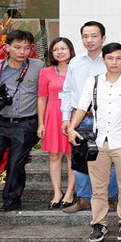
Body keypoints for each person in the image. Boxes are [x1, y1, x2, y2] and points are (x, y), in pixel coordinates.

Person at [67, 42, 121, 242]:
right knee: (98, 187)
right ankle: (98, 223)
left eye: (118, 58)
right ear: (103, 60)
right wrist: (72, 128)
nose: (114, 62)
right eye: (110, 58)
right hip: (98, 142)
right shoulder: (93, 81)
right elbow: (82, 107)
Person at [0, 30, 43, 222]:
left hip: (26, 122)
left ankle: (12, 199)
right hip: (0, 123)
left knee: (16, 164)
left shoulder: (38, 66)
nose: (22, 52)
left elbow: (42, 95)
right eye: (17, 47)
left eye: (27, 48)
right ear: (7, 47)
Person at [61, 21, 117, 214]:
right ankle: (84, 198)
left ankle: (109, 198)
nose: (90, 40)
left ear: (103, 38)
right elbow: (67, 90)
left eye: (94, 36)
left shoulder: (111, 60)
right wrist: (65, 117)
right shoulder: (75, 62)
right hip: (81, 118)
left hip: (106, 118)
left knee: (109, 158)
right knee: (79, 159)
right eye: (85, 36)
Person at [37, 37, 76, 209]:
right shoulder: (46, 72)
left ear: (70, 51)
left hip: (73, 115)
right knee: (54, 155)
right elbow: (42, 98)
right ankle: (57, 192)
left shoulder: (77, 69)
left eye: (63, 48)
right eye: (56, 49)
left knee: (71, 155)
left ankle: (70, 192)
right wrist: (41, 123)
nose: (59, 52)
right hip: (52, 115)